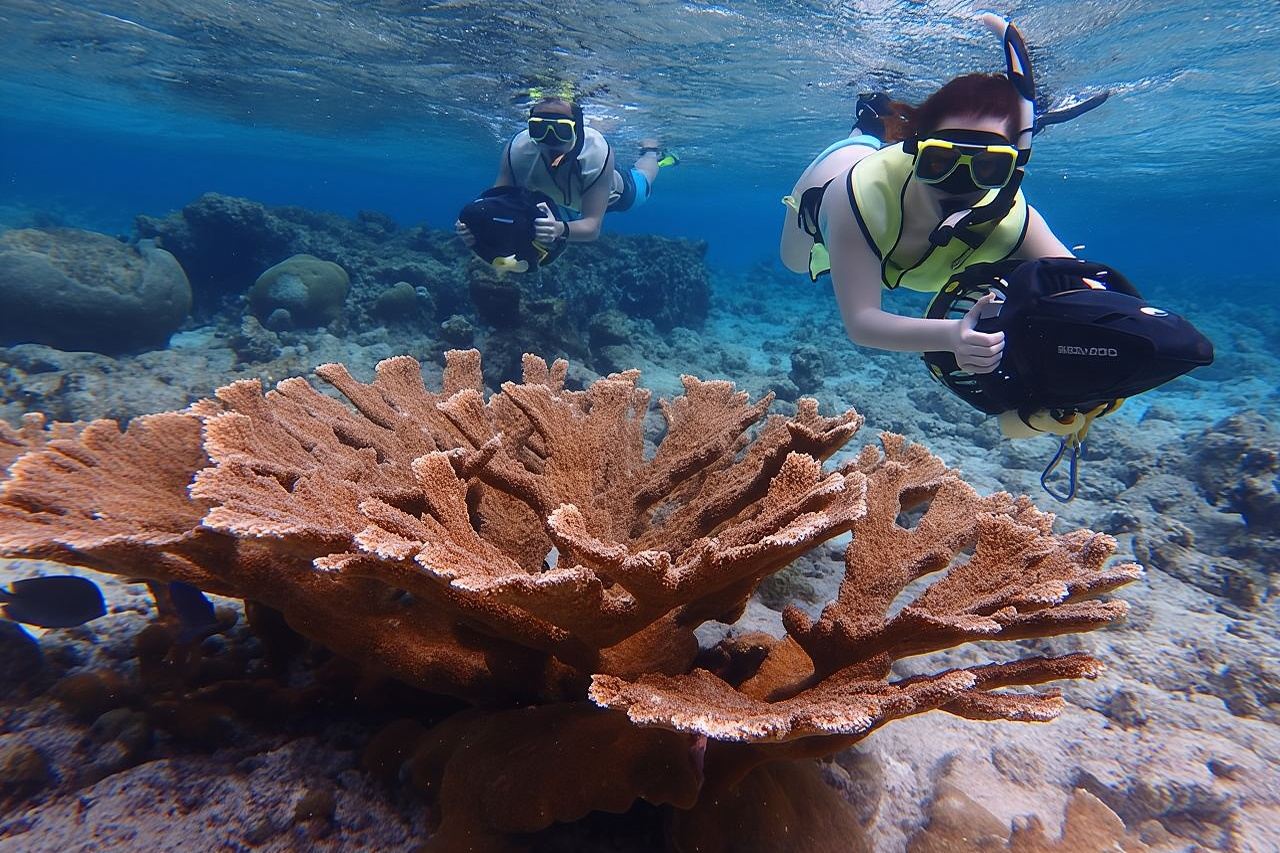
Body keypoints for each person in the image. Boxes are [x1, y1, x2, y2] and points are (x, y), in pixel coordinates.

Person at [456, 95, 677, 251]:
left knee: (643, 181)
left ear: (578, 130)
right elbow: (495, 205)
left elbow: (592, 227)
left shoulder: (597, 154)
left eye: (560, 130)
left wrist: (559, 229)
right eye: (539, 128)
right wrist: (475, 229)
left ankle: (651, 151)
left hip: (614, 194)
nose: (549, 140)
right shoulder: (516, 150)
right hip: (560, 202)